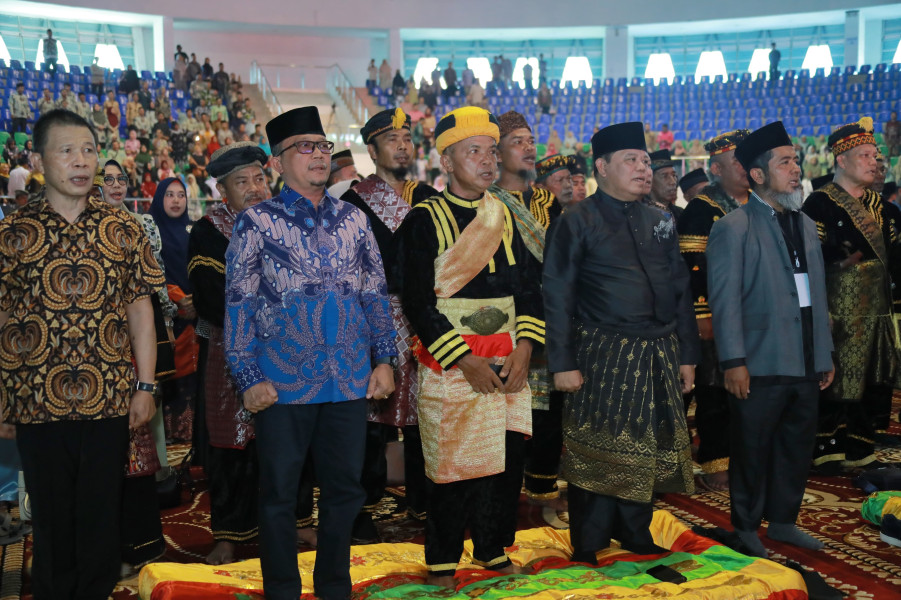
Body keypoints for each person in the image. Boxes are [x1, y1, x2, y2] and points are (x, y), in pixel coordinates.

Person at [225, 106, 396, 600]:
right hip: (280, 382)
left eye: (322, 146)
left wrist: (384, 359)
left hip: (347, 378)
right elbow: (239, 302)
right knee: (279, 495)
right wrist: (247, 374)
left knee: (345, 491)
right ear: (278, 162)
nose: (318, 155)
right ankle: (282, 589)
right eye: (305, 147)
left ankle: (333, 588)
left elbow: (374, 293)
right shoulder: (255, 222)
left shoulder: (354, 221)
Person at [0, 109, 161, 598]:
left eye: (89, 150)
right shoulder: (13, 234)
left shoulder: (123, 229)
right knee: (50, 522)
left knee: (99, 520)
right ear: (39, 159)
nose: (81, 162)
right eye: (67, 150)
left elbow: (141, 313)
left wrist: (146, 385)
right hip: (35, 403)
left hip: (108, 399)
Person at [393, 106, 543, 588]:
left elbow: (531, 291)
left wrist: (524, 348)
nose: (487, 162)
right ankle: (442, 558)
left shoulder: (505, 215)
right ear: (447, 163)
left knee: (504, 462)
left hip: (508, 358)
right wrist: (462, 358)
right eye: (473, 152)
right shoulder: (423, 219)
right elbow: (417, 301)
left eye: (491, 152)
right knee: (452, 464)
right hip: (452, 361)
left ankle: (494, 550)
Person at [543, 121, 699, 563]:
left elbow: (680, 291)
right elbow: (557, 295)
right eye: (630, 160)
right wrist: (562, 362)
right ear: (602, 168)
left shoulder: (661, 220)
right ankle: (589, 541)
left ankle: (635, 532)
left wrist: (688, 355)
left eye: (646, 160)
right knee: (599, 447)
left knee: (646, 444)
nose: (643, 168)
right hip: (602, 352)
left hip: (660, 350)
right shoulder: (576, 220)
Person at [707, 120, 834, 557]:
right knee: (752, 448)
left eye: (796, 160)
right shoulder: (734, 227)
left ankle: (782, 522)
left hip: (804, 359)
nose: (795, 169)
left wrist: (824, 353)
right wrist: (733, 361)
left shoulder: (805, 224)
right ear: (758, 175)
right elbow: (724, 303)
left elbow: (817, 295)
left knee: (797, 447)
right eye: (784, 163)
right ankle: (745, 527)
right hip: (758, 362)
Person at [188, 142, 318, 565]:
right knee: (233, 445)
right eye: (240, 182)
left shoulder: (291, 220)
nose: (254, 188)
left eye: (259, 178)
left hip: (291, 349)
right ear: (223, 191)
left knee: (293, 438)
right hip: (230, 350)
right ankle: (229, 532)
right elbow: (209, 297)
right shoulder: (209, 230)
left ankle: (297, 518)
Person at [341, 109, 436, 539]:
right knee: (370, 418)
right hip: (371, 317)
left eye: (406, 137)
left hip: (425, 317)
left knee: (427, 412)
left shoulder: (431, 197)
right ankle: (361, 507)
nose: (402, 145)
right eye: (391, 138)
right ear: (373, 149)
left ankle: (425, 500)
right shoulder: (353, 203)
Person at [802, 117, 901, 472]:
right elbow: (811, 262)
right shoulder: (818, 205)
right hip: (837, 312)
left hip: (877, 310)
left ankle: (862, 447)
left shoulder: (887, 210)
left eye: (876, 155)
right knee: (836, 380)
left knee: (874, 380)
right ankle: (826, 450)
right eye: (865, 155)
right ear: (841, 160)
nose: (875, 162)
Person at [99, 160, 175, 576]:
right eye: (106, 179)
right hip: (96, 353)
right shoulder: (80, 225)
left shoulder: (141, 225)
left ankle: (139, 542)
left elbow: (153, 288)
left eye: (119, 179)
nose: (114, 185)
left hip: (135, 345)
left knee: (138, 444)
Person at [675, 129, 750, 491]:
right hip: (716, 313)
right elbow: (692, 263)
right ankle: (716, 463)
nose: (743, 166)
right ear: (716, 169)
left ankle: (748, 457)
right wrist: (701, 313)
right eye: (735, 161)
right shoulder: (702, 207)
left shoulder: (760, 202)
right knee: (715, 389)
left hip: (754, 312)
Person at [150, 179, 200, 443]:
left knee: (194, 380)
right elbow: (152, 273)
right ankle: (167, 441)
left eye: (181, 195)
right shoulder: (150, 229)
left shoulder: (194, 230)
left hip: (196, 318)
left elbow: (202, 268)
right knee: (168, 377)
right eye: (169, 195)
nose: (176, 200)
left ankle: (190, 441)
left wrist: (197, 300)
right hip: (165, 319)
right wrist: (179, 299)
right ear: (159, 198)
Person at [645, 149, 682, 219]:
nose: (673, 182)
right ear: (650, 181)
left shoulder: (681, 215)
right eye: (664, 176)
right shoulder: (641, 215)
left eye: (674, 176)